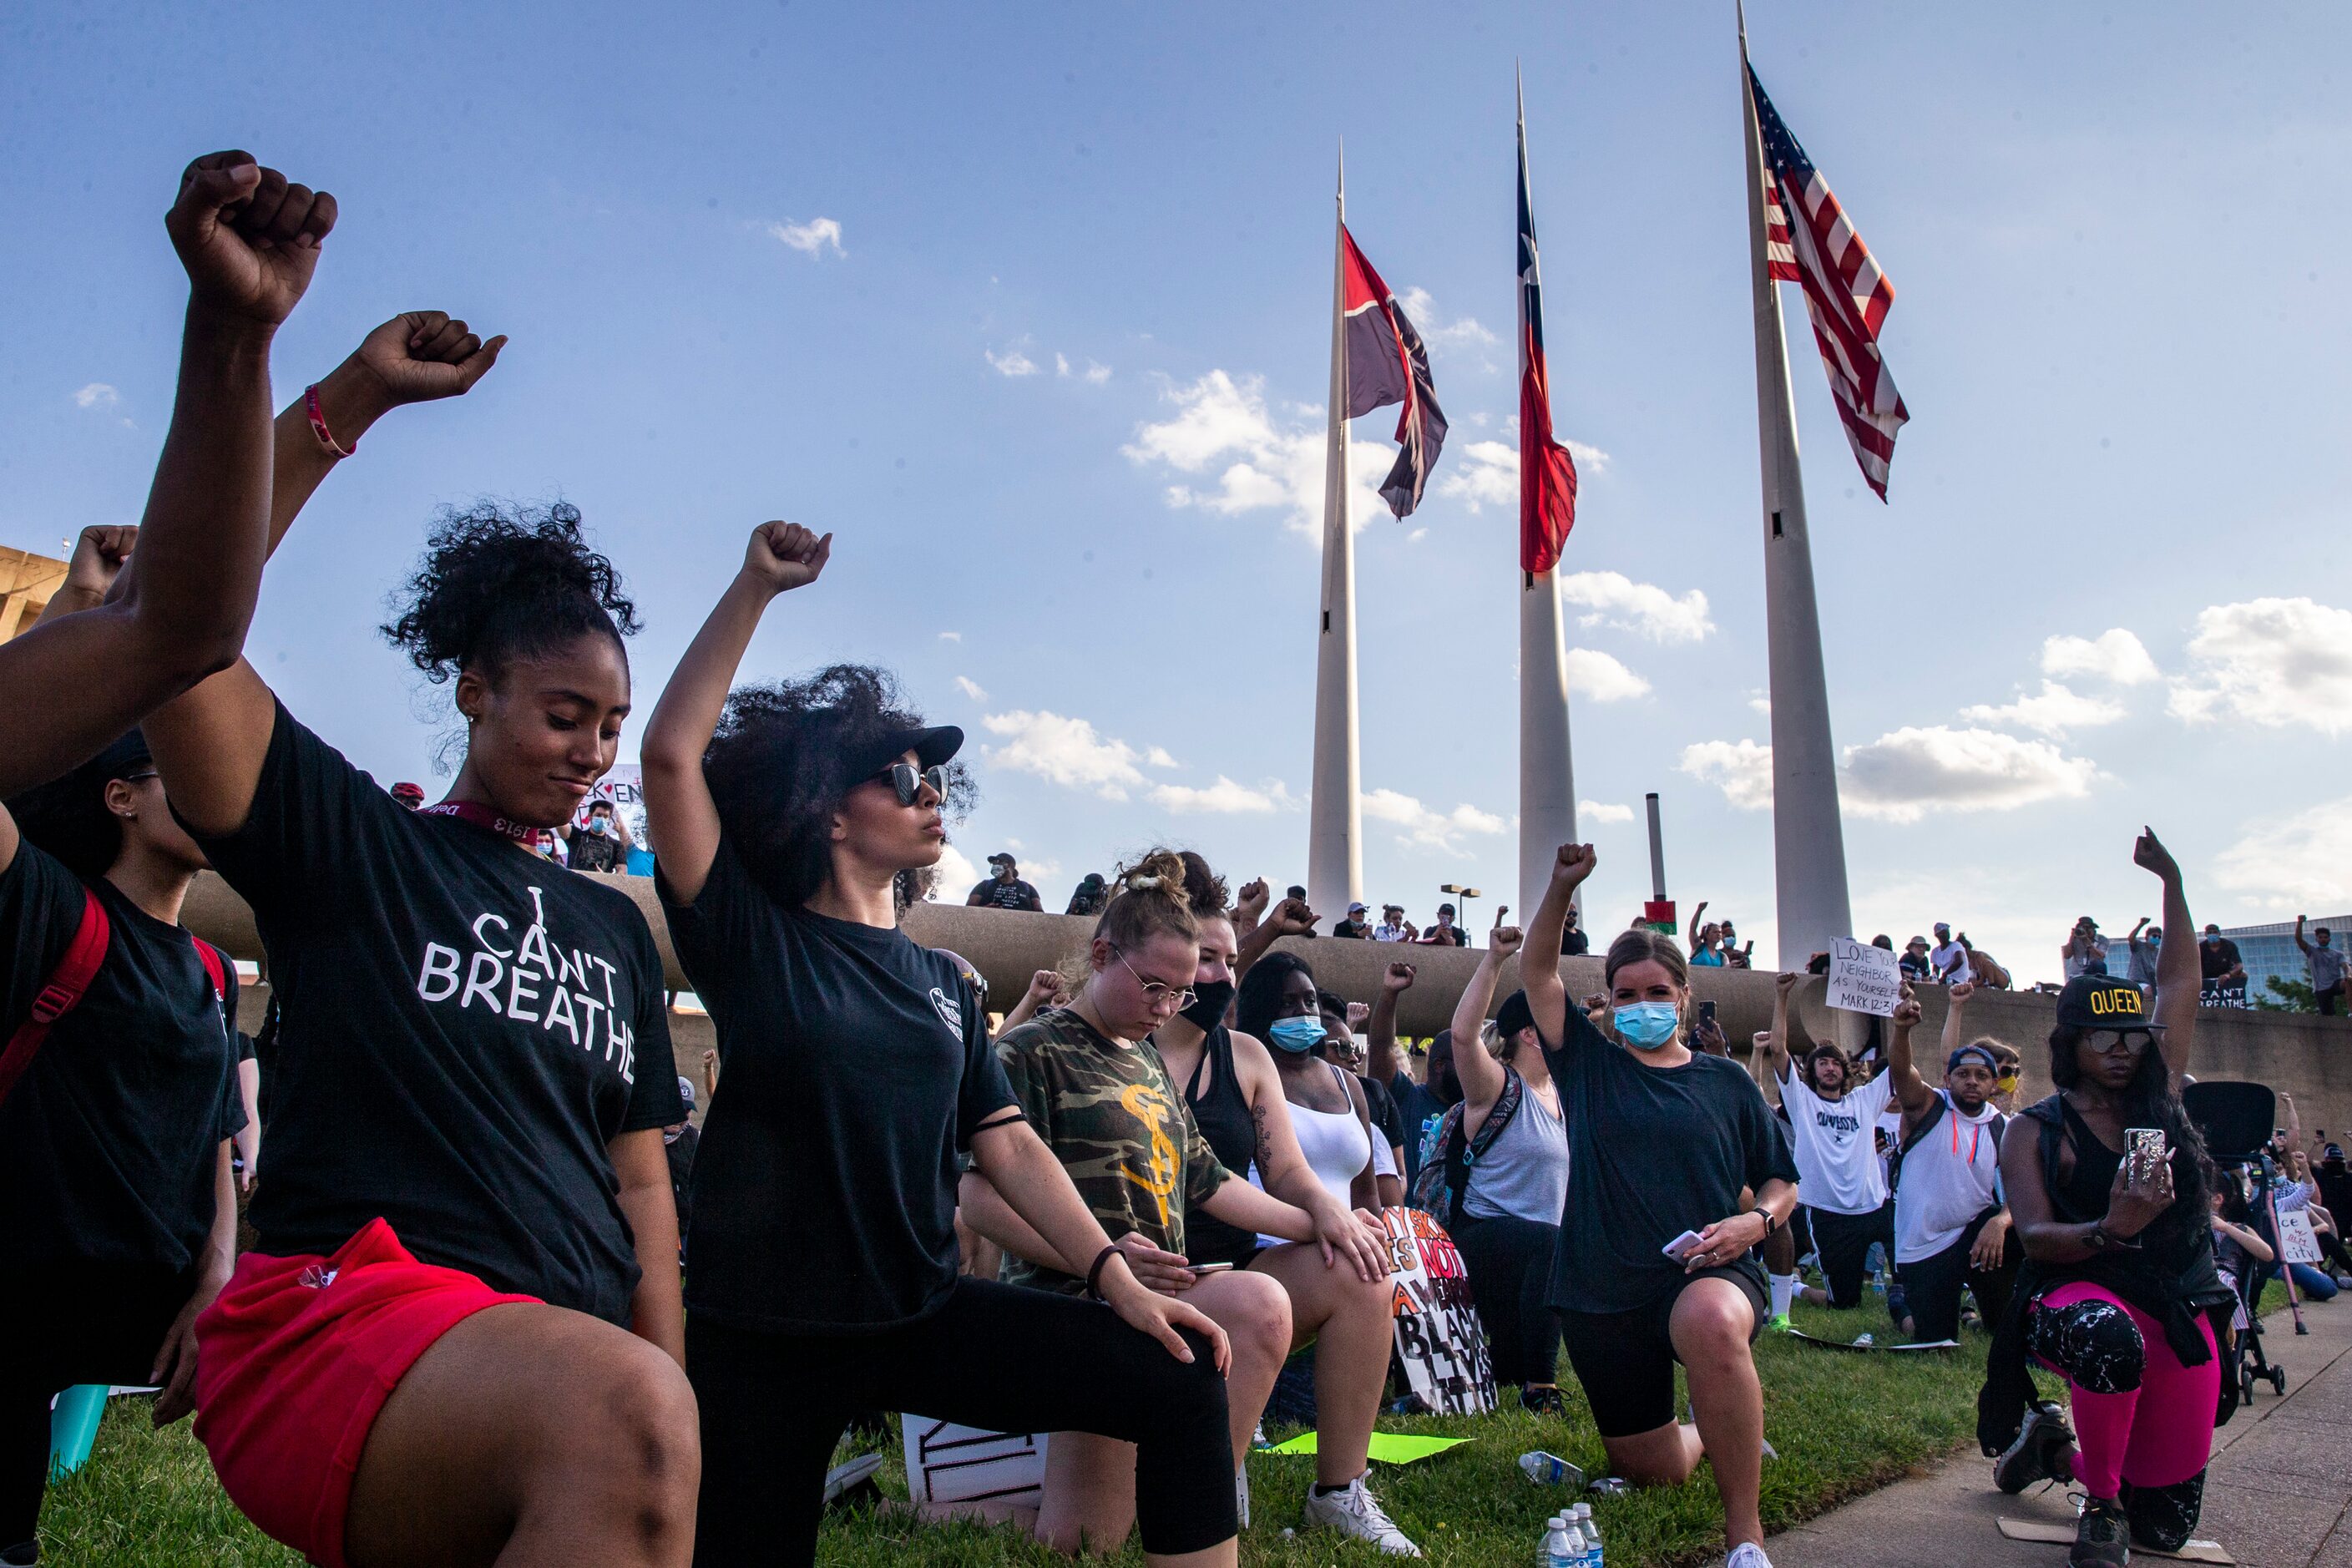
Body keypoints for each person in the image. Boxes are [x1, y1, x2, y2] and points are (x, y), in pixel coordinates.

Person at [149, 273, 731, 1568]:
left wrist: (670, 1399)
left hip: (563, 1369)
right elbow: (180, 631)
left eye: (611, 728)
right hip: (334, 1320)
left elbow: (642, 1191)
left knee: (628, 1409)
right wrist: (347, 401)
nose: (591, 753)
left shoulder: (615, 932)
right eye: (562, 713)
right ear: (471, 691)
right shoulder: (354, 843)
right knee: (618, 1410)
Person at [640, 523, 1237, 1568]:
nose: (932, 793)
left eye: (935, 780)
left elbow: (1005, 1145)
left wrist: (1112, 1275)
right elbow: (669, 756)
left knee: (1180, 1372)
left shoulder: (945, 984)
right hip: (766, 1338)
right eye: (902, 775)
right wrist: (755, 589)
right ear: (828, 813)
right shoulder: (751, 938)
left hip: (920, 1310)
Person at [962, 853, 1412, 1555]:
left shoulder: (1143, 1057)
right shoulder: (1031, 1049)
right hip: (1077, 1301)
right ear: (1102, 954)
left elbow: (1210, 1181)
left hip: (1166, 1293)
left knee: (1261, 1302)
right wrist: (1107, 1265)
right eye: (1156, 987)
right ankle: (941, 1509)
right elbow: (978, 1196)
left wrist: (1325, 1218)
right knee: (1083, 1544)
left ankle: (1210, 1484)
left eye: (1180, 992)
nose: (1169, 1007)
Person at [0, 726, 246, 1565]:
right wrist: (87, 605)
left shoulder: (216, 972)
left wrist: (218, 1273)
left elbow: (218, 1133)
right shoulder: (51, 907)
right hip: (22, 1286)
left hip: (147, 1303)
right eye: (180, 771)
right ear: (121, 799)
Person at [1519, 845, 1798, 1568]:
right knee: (1652, 1471)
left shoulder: (1726, 1082)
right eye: (1625, 993)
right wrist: (1560, 887)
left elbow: (1781, 1180)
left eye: (1655, 991)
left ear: (1681, 994)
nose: (1640, 1005)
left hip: (1707, 1273)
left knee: (1707, 1320)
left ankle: (1746, 1537)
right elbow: (1538, 972)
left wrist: (1755, 1222)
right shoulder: (1586, 1064)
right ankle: (1714, 1426)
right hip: (1600, 1289)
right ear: (1608, 1001)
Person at [1142, 854, 1415, 1550]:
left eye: (1231, 959)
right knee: (1096, 1529)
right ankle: (1210, 1458)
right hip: (1133, 1276)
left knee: (1360, 1264)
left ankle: (1340, 1490)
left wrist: (1330, 1215)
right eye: (1208, 957)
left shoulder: (1244, 1057)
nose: (1222, 975)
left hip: (1232, 1279)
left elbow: (1287, 1171)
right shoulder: (1122, 1048)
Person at [1984, 829, 2233, 1568]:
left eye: (2132, 1033)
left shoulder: (2158, 1098)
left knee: (2166, 1531)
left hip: (2172, 1299)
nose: (2123, 1047)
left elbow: (2179, 985)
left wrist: (2173, 884)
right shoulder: (2033, 1131)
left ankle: (2053, 1450)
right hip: (2075, 1295)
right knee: (2106, 1339)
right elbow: (2032, 1238)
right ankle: (2100, 1508)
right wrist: (2109, 1225)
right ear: (2071, 1042)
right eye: (2104, 1035)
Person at [1444, 927, 1574, 1414]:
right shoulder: (1497, 1087)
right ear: (1528, 1033)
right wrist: (1496, 960)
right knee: (1549, 1241)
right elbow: (1462, 1036)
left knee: (1503, 1367)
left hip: (1534, 1259)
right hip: (1483, 1237)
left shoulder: (1561, 1097)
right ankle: (1542, 1390)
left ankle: (1518, 1372)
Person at [1884, 981, 2016, 1343]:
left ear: (1993, 1085)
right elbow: (1901, 1071)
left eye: (1982, 1076)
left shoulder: (2002, 1126)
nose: (1972, 1082)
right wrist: (1901, 1030)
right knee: (1934, 1341)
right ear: (1947, 1078)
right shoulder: (1929, 1105)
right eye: (1963, 1074)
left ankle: (1992, 1313)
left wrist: (2001, 1222)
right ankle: (1902, 1306)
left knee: (2015, 1234)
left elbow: (2021, 1193)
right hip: (1927, 1242)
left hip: (1976, 1234)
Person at [1757, 975, 1897, 1313]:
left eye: (1836, 1062)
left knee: (1910, 1268)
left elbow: (1899, 1069)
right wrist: (1782, 996)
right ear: (1812, 1070)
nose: (1830, 1068)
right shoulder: (1801, 1100)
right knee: (1844, 1303)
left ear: (1844, 1070)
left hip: (1875, 1206)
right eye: (1823, 1062)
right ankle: (1801, 1289)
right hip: (1827, 1213)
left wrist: (1899, 1019)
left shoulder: (1863, 1100)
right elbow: (1778, 1050)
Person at [1367, 961, 1451, 1185]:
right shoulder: (1407, 1097)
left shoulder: (1478, 1108)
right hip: (1412, 1217)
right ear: (1440, 1065)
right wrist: (1389, 993)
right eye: (1464, 1062)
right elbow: (1380, 1049)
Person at [562, 796, 634, 874]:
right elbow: (559, 820)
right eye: (598, 815)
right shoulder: (576, 836)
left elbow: (622, 874)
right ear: (590, 816)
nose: (602, 819)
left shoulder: (617, 846)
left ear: (609, 820)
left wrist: (603, 878)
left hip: (600, 885)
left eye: (606, 816)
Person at [2296, 916, 2345, 1017]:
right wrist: (2300, 923)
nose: (2323, 940)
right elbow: (2299, 939)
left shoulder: (2338, 954)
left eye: (2325, 937)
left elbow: (2345, 966)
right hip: (2321, 988)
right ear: (2317, 939)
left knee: (2348, 983)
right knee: (2328, 1015)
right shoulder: (2312, 951)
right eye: (2321, 938)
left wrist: (2348, 974)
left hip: (2335, 983)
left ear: (2329, 939)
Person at [968, 852, 1044, 911]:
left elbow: (1039, 915)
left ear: (1009, 865)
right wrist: (985, 910)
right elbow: (967, 911)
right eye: (993, 863)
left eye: (997, 862)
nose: (994, 866)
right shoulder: (984, 885)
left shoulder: (1027, 888)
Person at [2198, 924, 2247, 1008]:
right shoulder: (2200, 947)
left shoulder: (2229, 945)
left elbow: (2239, 965)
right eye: (2209, 932)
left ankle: (2238, 1000)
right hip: (2205, 976)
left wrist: (2228, 975)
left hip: (2226, 975)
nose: (2212, 934)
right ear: (2206, 935)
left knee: (2244, 975)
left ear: (2219, 933)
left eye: (2215, 932)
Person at [2061, 916, 2109, 980]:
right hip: (2077, 975)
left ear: (2094, 928)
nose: (2086, 931)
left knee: (2099, 964)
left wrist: (2086, 941)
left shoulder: (2102, 939)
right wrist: (2072, 938)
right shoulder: (2075, 939)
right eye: (2083, 928)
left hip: (2094, 973)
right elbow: (2067, 956)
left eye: (2088, 928)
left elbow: (2100, 957)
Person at [1931, 922, 1974, 986]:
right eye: (1943, 933)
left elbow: (1959, 961)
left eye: (1947, 932)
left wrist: (1945, 975)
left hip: (1959, 981)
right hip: (1947, 980)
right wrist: (1934, 980)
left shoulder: (1956, 945)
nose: (1946, 934)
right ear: (1937, 935)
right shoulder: (1935, 952)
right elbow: (1935, 971)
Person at [2124, 918, 2162, 986]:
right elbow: (2131, 938)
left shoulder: (2159, 953)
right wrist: (2141, 924)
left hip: (2151, 984)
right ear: (2147, 937)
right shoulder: (2139, 946)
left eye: (2159, 937)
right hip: (2136, 982)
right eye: (2154, 936)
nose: (2157, 938)